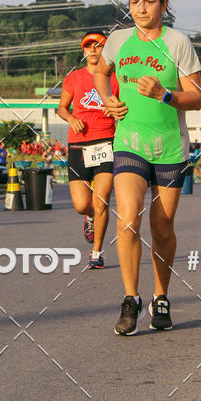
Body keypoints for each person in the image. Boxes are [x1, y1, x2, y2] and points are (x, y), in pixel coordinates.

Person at [94, 0, 201, 335]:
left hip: (170, 145)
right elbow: (100, 71)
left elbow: (197, 98)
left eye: (149, 1)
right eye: (135, 2)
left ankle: (160, 295)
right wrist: (107, 98)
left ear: (164, 6)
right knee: (127, 220)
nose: (141, 8)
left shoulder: (178, 43)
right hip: (129, 142)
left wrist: (164, 94)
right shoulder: (118, 40)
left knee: (162, 226)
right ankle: (130, 298)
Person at [57, 30, 119, 269]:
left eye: (98, 46)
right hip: (78, 145)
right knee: (82, 204)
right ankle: (89, 216)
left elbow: (124, 107)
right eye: (88, 47)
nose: (93, 51)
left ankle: (96, 252)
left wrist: (115, 110)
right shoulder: (74, 78)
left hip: (106, 142)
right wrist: (71, 119)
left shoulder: (115, 78)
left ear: (106, 50)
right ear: (83, 51)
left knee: (101, 200)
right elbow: (62, 108)